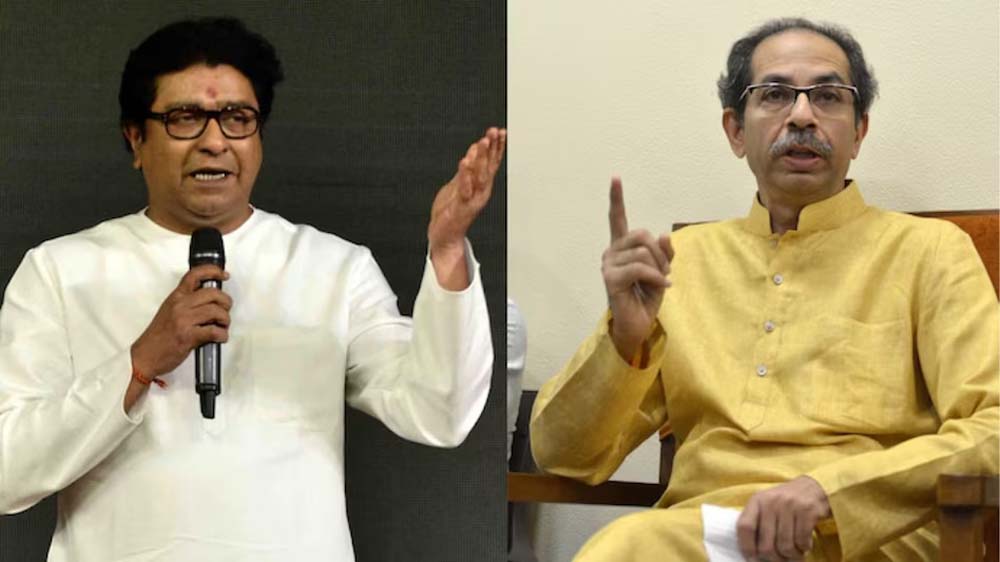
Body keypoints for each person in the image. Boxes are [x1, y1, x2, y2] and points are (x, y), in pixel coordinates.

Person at [0, 17, 505, 561]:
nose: (214, 142)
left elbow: (439, 411)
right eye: (185, 118)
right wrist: (140, 363)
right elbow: (8, 470)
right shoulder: (60, 271)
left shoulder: (334, 269)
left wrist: (447, 252)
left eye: (237, 119)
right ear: (135, 138)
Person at [530, 17, 997, 562]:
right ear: (735, 131)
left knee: (628, 548)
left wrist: (831, 491)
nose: (802, 115)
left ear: (859, 132)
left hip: (862, 542)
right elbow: (564, 456)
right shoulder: (683, 263)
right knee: (631, 547)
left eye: (828, 96)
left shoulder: (930, 251)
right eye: (774, 94)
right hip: (704, 536)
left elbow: (992, 426)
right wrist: (624, 341)